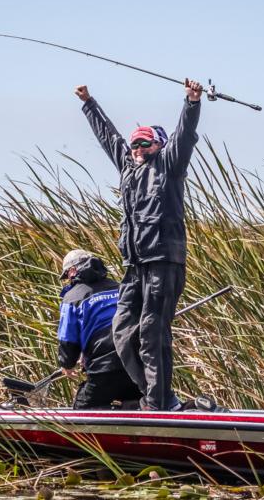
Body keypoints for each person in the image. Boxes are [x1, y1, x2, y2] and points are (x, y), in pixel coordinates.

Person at [75, 79, 203, 410]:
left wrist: (191, 102)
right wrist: (89, 103)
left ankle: (158, 404)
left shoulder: (169, 165)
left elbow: (185, 136)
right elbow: (109, 138)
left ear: (158, 145)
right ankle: (160, 397)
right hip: (134, 266)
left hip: (164, 261)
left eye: (145, 143)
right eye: (135, 144)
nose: (137, 148)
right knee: (121, 332)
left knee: (151, 331)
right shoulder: (128, 169)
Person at [57, 249, 143, 409]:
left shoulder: (72, 298)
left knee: (82, 410)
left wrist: (67, 364)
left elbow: (68, 340)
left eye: (67, 275)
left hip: (105, 369)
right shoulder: (120, 288)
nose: (67, 280)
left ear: (73, 271)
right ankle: (133, 408)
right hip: (137, 365)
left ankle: (124, 413)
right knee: (140, 402)